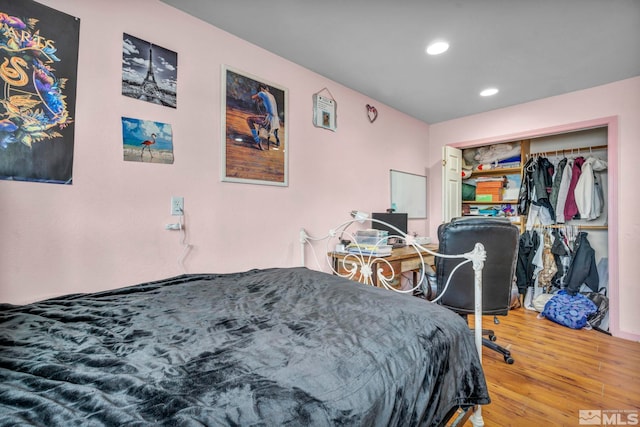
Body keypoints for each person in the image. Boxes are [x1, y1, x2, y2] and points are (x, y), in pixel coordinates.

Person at [246, 85, 280, 150]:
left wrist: (258, 97)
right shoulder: (272, 96)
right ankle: (277, 140)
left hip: (269, 121)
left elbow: (253, 97)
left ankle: (258, 141)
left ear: (261, 88)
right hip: (275, 121)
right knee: (262, 116)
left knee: (249, 119)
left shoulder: (262, 93)